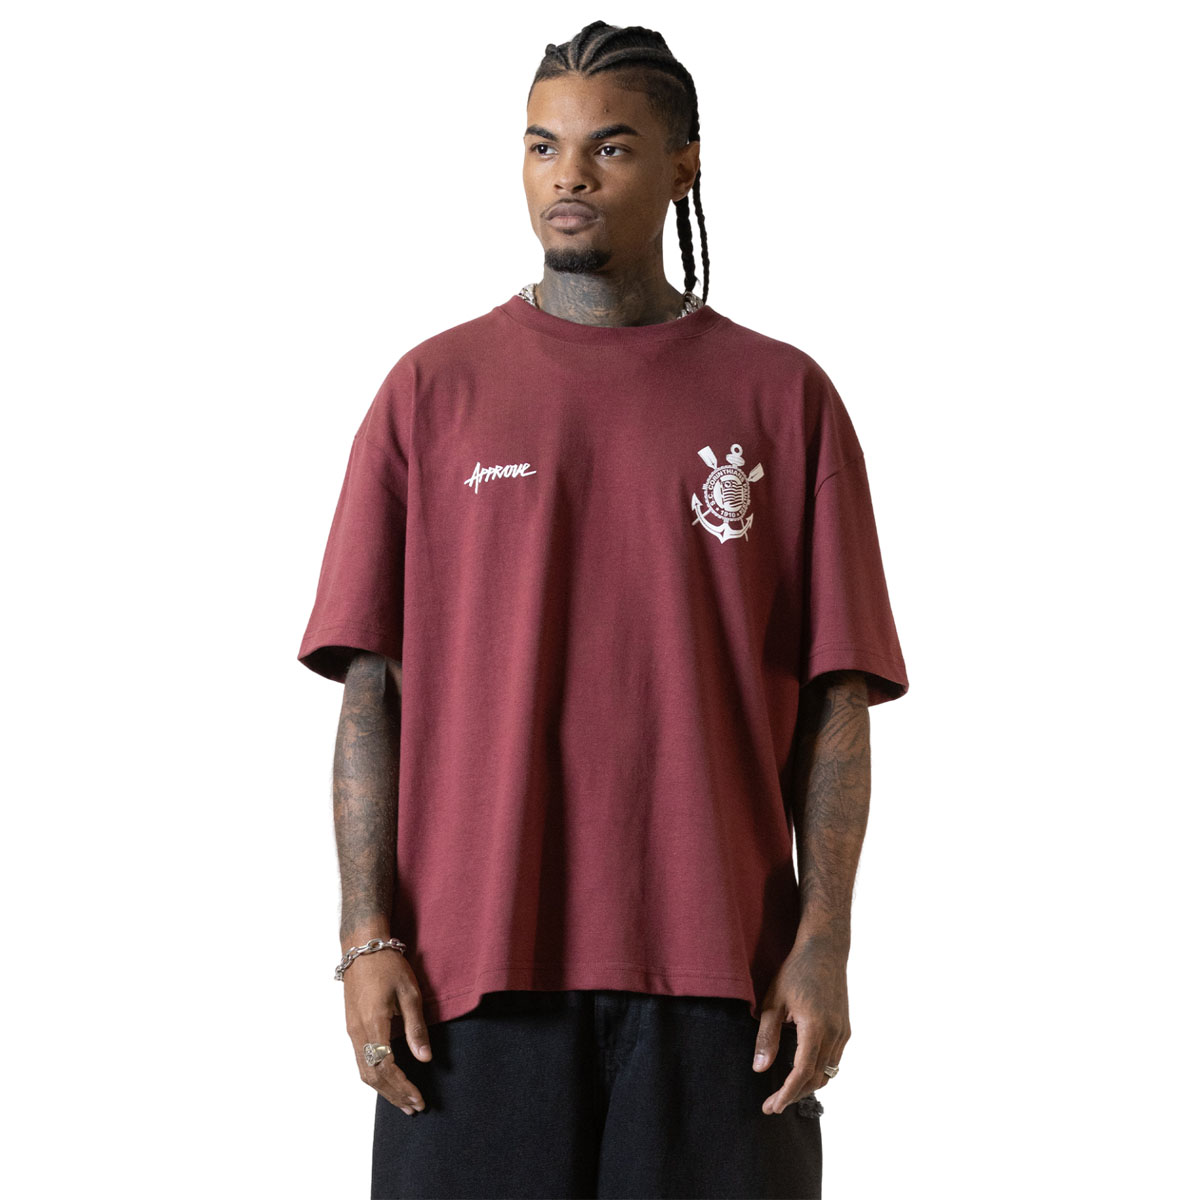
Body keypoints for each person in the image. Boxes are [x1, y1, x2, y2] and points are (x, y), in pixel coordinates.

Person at [297, 20, 908, 1200]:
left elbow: (837, 696)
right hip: (467, 983)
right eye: (543, 145)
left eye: (609, 146)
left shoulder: (784, 398)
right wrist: (365, 937)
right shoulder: (431, 392)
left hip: (726, 983)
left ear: (684, 165)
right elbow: (372, 688)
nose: (568, 174)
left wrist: (823, 942)